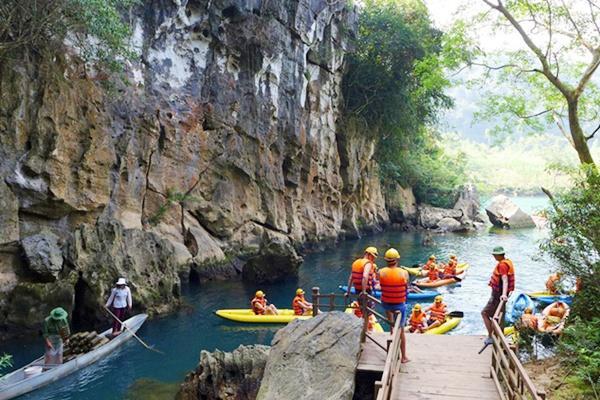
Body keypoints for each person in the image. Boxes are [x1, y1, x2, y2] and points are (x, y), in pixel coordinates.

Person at [379, 248, 409, 363]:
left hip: (386, 303)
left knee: (391, 324)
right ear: (397, 259)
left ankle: (392, 334)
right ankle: (404, 357)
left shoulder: (381, 272)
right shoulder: (404, 272)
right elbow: (406, 287)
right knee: (401, 329)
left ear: (386, 260)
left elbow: (380, 283)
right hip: (399, 305)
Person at [482, 246, 515, 345]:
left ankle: (491, 336)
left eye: (494, 255)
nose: (493, 256)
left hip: (497, 295)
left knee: (484, 313)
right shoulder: (507, 262)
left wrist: (504, 294)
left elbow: (505, 279)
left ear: (498, 255)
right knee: (499, 315)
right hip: (500, 294)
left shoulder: (502, 265)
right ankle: (497, 336)